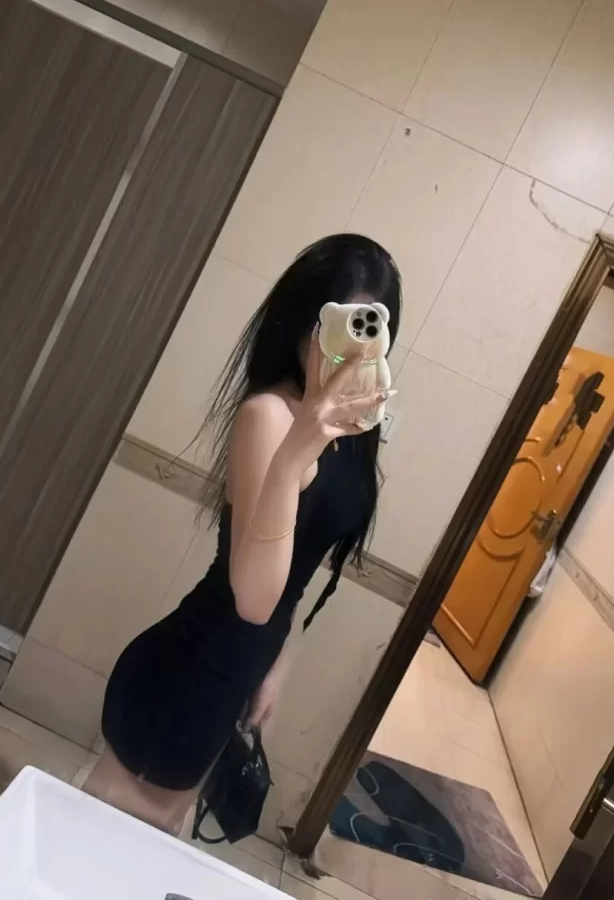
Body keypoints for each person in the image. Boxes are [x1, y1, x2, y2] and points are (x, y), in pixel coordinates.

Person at [83, 233, 402, 833]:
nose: (345, 351)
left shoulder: (349, 435)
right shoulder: (270, 416)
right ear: (300, 322)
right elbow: (254, 600)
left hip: (229, 684)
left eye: (367, 330)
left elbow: (297, 575)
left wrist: (278, 665)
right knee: (96, 847)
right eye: (332, 327)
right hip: (185, 678)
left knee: (143, 849)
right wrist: (296, 451)